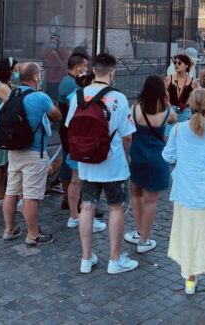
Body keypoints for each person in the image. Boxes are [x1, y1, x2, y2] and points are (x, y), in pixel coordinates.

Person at [65, 53, 138, 275]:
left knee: (86, 207)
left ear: (93, 70)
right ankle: (114, 260)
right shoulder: (119, 99)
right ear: (112, 71)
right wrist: (128, 157)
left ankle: (86, 258)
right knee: (116, 207)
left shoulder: (78, 96)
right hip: (112, 163)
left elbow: (70, 126)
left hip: (86, 163)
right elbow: (127, 135)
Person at [163, 88, 205, 297]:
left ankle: (190, 281)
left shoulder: (177, 130)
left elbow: (168, 156)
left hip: (185, 192)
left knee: (189, 235)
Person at [1, 62, 63, 246]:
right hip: (34, 151)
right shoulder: (40, 97)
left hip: (14, 150)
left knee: (11, 191)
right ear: (36, 77)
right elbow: (57, 115)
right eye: (39, 74)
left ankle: (9, 229)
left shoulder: (13, 93)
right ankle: (33, 234)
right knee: (31, 196)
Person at [125, 75, 177, 254]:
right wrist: (167, 100)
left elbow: (128, 135)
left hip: (137, 156)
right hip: (156, 158)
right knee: (151, 200)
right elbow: (174, 120)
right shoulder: (167, 111)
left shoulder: (134, 109)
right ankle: (145, 239)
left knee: (136, 195)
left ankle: (138, 231)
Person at [57, 53, 107, 234]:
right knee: (86, 181)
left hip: (75, 141)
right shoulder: (80, 95)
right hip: (85, 142)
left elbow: (69, 121)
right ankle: (86, 218)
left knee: (76, 180)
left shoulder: (74, 93)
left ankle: (74, 216)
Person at [0, 57, 18, 207]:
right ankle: (2, 196)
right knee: (2, 163)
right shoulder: (2, 87)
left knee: (2, 163)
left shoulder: (2, 84)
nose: (16, 72)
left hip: (1, 128)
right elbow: (13, 103)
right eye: (15, 70)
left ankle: (0, 197)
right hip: (2, 129)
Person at [166, 54, 198, 122]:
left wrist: (186, 105)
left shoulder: (193, 82)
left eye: (179, 63)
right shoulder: (168, 79)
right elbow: (163, 95)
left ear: (186, 65)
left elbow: (195, 99)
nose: (176, 65)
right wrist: (170, 107)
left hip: (185, 111)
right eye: (175, 62)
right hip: (170, 111)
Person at [42, 33, 71, 103]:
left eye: (54, 42)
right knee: (49, 100)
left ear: (58, 43)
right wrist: (45, 63)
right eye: (51, 42)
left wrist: (56, 56)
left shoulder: (64, 52)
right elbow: (45, 66)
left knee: (58, 101)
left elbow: (64, 66)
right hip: (49, 81)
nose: (52, 44)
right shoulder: (48, 52)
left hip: (59, 81)